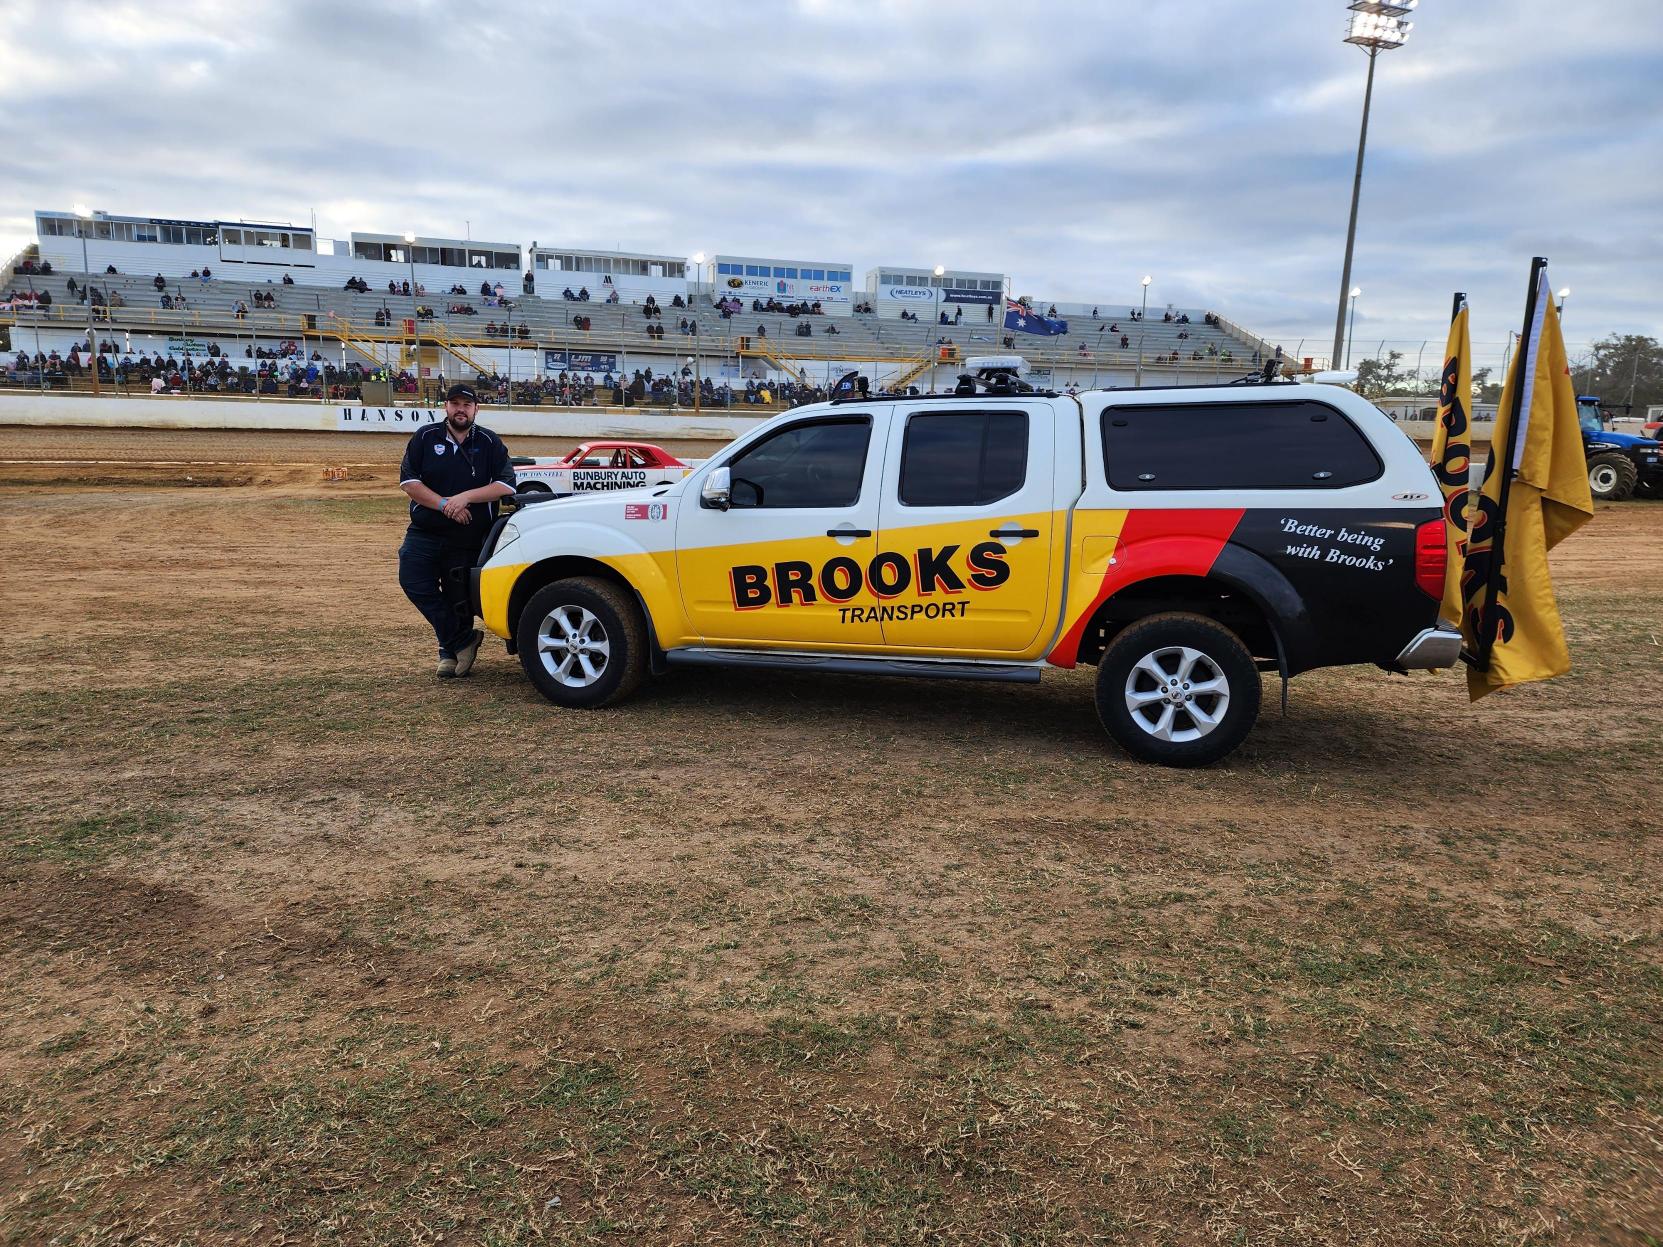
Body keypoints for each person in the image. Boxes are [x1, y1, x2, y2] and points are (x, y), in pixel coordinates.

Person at [397, 384, 516, 678]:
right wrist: (445, 504)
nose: (460, 409)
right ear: (445, 407)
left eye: (467, 404)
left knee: (458, 595)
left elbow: (506, 485)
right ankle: (462, 640)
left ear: (476, 409)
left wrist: (466, 498)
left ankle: (448, 653)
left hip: (469, 534)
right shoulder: (425, 437)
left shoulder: (489, 441)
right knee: (413, 581)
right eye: (455, 403)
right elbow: (409, 483)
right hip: (425, 528)